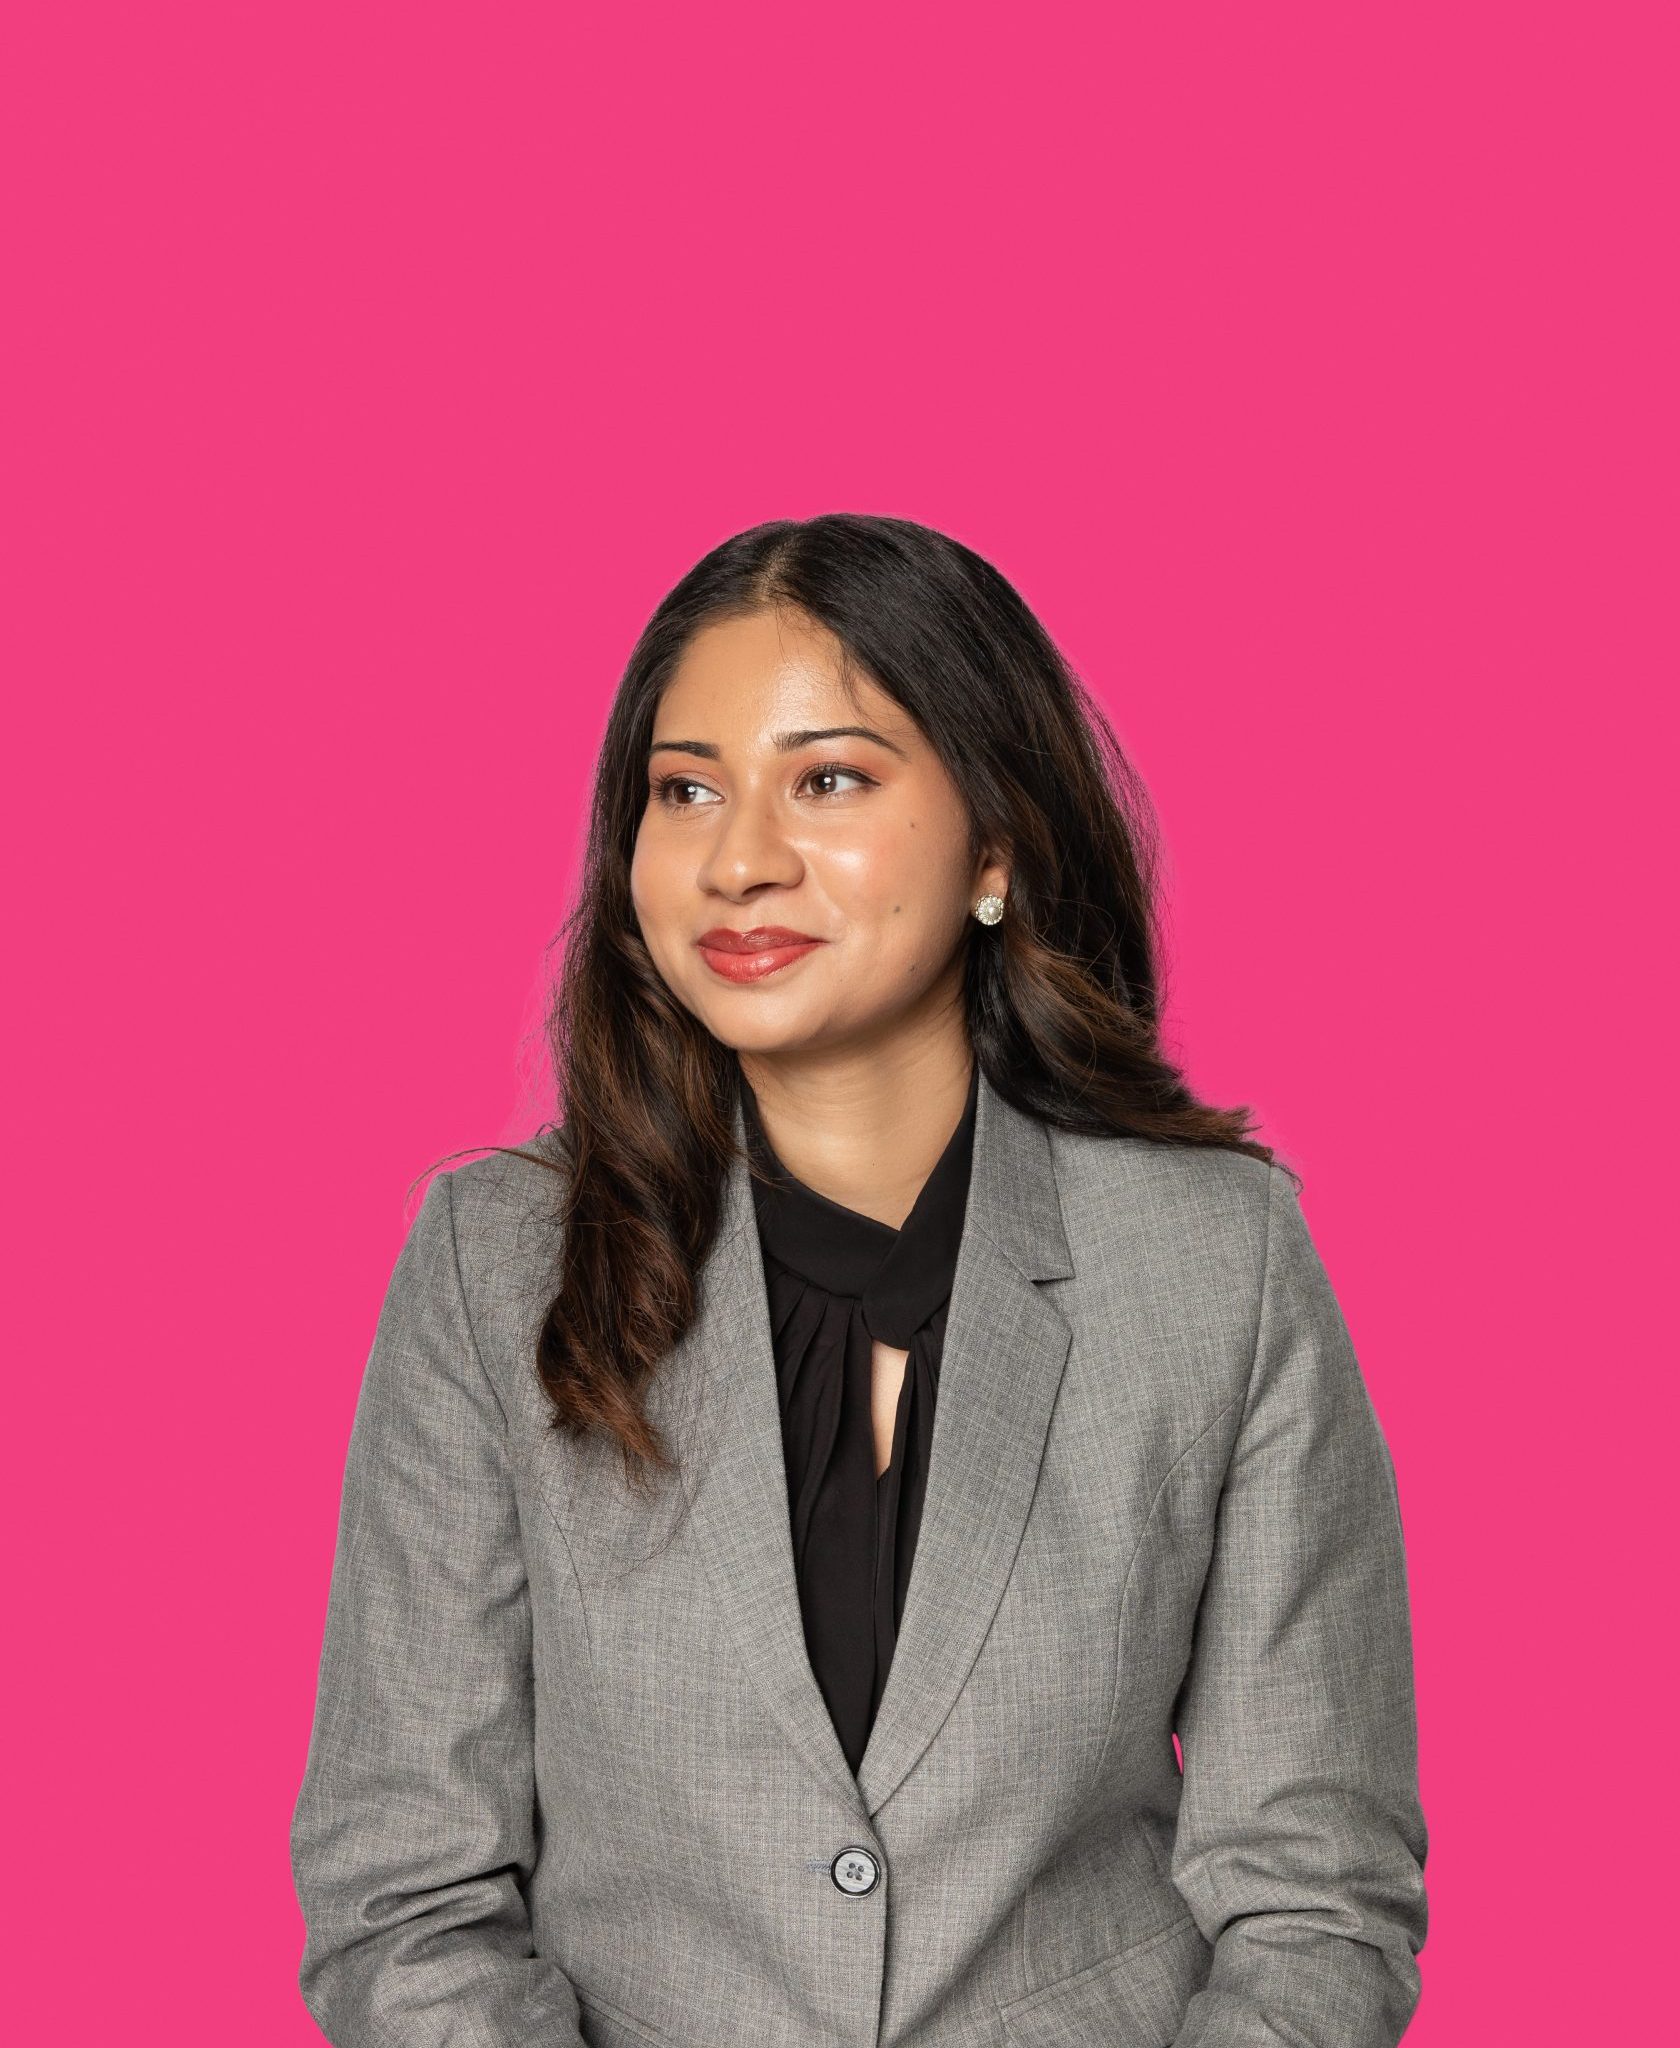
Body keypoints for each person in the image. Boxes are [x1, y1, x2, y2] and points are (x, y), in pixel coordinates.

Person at [290, 512, 1429, 2047]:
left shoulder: (1216, 1264)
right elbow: (407, 1896)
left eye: (828, 778)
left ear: (997, 843)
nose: (740, 859)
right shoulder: (492, 1271)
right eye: (685, 790)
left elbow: (1315, 1889)